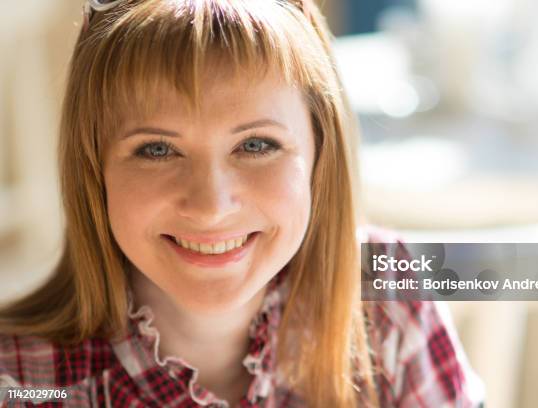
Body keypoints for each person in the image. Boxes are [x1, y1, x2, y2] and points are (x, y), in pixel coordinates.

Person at [0, 0, 483, 406]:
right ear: (94, 172)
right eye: (156, 149)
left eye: (256, 145)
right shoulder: (22, 383)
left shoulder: (387, 295)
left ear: (321, 156)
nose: (211, 206)